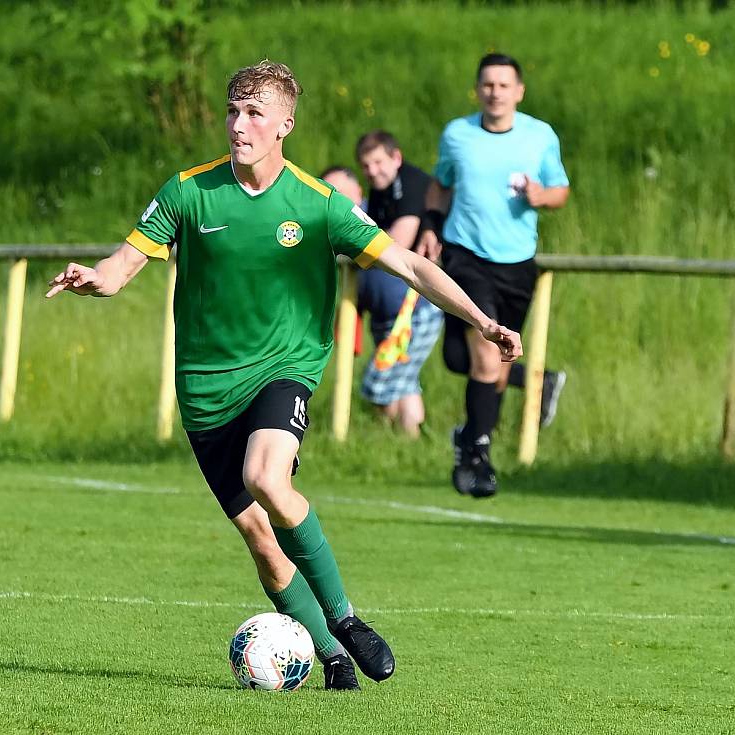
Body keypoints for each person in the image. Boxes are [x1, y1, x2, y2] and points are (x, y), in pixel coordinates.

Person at [46, 60, 522, 691]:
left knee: (264, 477)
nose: (238, 124)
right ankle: (329, 657)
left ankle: (346, 620)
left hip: (283, 368)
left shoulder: (318, 203)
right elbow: (121, 268)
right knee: (259, 538)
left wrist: (482, 320)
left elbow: (409, 265)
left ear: (283, 126)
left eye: (254, 113)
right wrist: (93, 279)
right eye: (233, 111)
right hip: (205, 388)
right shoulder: (189, 191)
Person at [418, 53, 570, 499]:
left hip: (517, 261)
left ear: (519, 91)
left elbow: (561, 189)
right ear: (477, 89)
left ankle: (470, 441)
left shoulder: (539, 135)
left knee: (487, 361)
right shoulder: (458, 134)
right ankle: (478, 454)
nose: (495, 92)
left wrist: (543, 195)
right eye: (487, 84)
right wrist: (429, 224)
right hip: (466, 255)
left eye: (504, 85)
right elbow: (441, 184)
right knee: (485, 356)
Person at [323, 150, 442, 438]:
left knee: (378, 384)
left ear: (358, 191)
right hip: (383, 317)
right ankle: (406, 442)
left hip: (411, 313)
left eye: (340, 191)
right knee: (404, 384)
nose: (334, 197)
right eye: (327, 191)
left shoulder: (368, 218)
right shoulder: (331, 227)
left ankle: (393, 439)